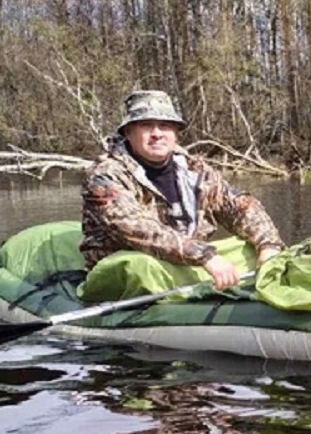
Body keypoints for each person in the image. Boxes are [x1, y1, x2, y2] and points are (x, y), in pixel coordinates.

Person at [80, 90, 285, 289]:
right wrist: (204, 256)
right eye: (146, 125)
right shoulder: (104, 176)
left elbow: (239, 206)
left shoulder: (194, 169)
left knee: (250, 248)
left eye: (165, 126)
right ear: (128, 132)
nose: (157, 134)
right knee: (142, 266)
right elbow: (134, 227)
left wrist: (268, 245)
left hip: (184, 263)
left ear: (176, 133)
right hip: (128, 272)